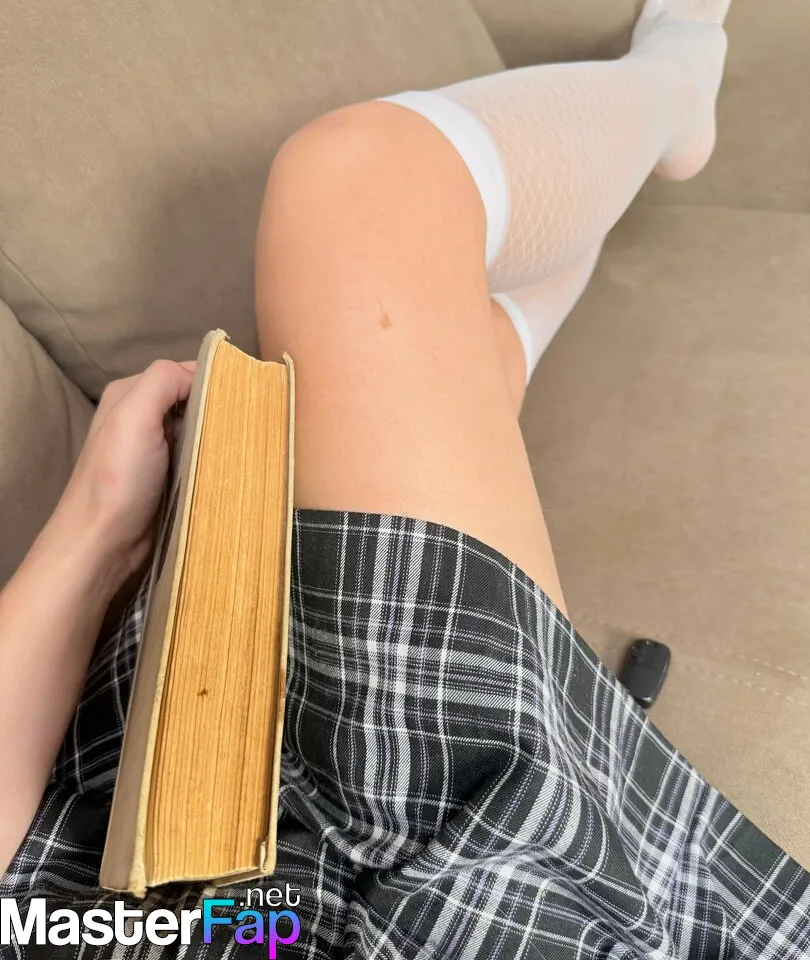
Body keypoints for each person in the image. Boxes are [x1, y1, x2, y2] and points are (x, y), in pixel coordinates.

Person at [1, 0, 808, 956]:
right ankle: (674, 90)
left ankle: (648, 129)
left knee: (443, 353)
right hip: (389, 920)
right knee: (361, 181)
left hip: (142, 872)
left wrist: (97, 533)